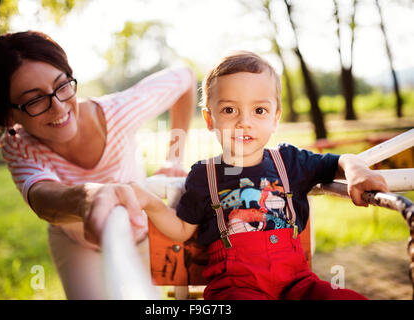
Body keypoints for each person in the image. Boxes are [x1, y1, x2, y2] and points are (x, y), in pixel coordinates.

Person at [130, 51, 389, 300]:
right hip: (235, 286)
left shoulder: (289, 161)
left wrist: (357, 171)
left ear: (275, 118)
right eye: (230, 110)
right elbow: (183, 229)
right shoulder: (204, 175)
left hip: (297, 283)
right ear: (209, 119)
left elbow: (339, 161)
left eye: (259, 111)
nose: (245, 122)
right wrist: (149, 203)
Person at [0, 30, 196, 299]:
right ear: (7, 116)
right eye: (35, 100)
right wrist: (89, 197)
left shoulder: (118, 113)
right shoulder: (19, 145)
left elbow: (185, 78)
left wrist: (174, 159)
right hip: (76, 242)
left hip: (143, 230)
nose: (59, 108)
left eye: (62, 85)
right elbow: (41, 196)